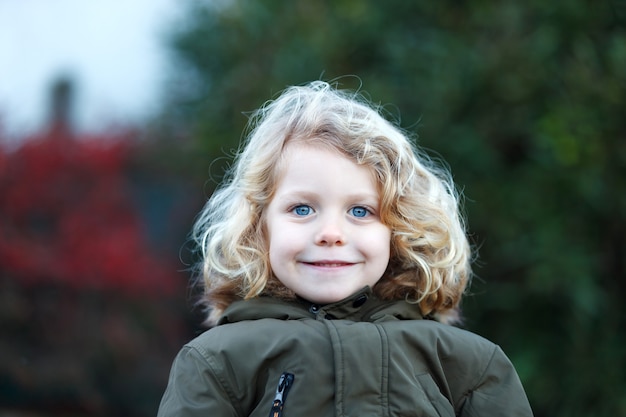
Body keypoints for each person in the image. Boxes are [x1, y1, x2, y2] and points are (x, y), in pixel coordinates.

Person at [157, 81, 533, 416]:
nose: (331, 233)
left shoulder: (468, 365)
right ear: (259, 227)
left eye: (360, 210)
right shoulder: (216, 362)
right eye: (302, 209)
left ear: (398, 229)